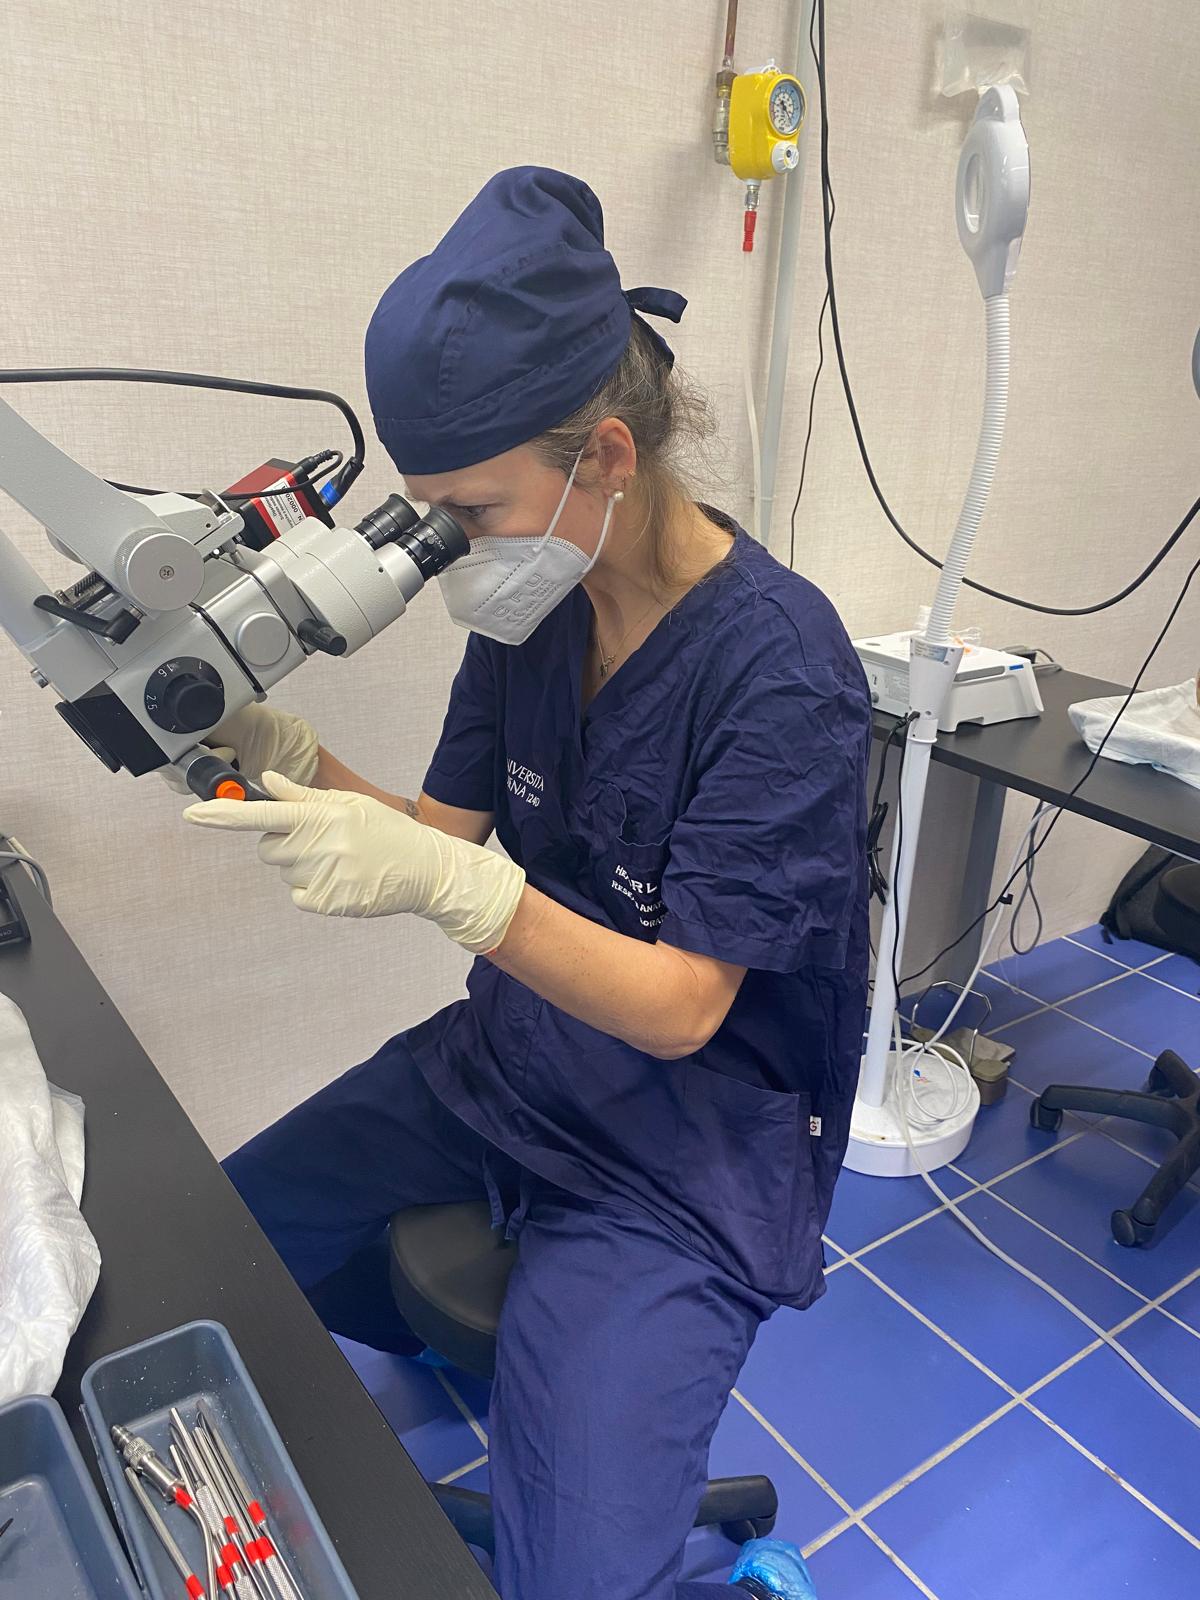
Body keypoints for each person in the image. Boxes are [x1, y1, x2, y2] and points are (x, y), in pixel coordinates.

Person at [187, 167, 871, 1600]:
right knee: (219, 1249)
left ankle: (604, 1434)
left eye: (469, 510)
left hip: (682, 1152)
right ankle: (533, 1370)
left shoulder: (783, 672)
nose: (441, 549)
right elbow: (441, 827)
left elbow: (683, 1008)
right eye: (424, 513)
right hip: (510, 1066)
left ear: (606, 456)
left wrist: (462, 895)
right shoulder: (535, 606)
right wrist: (293, 759)